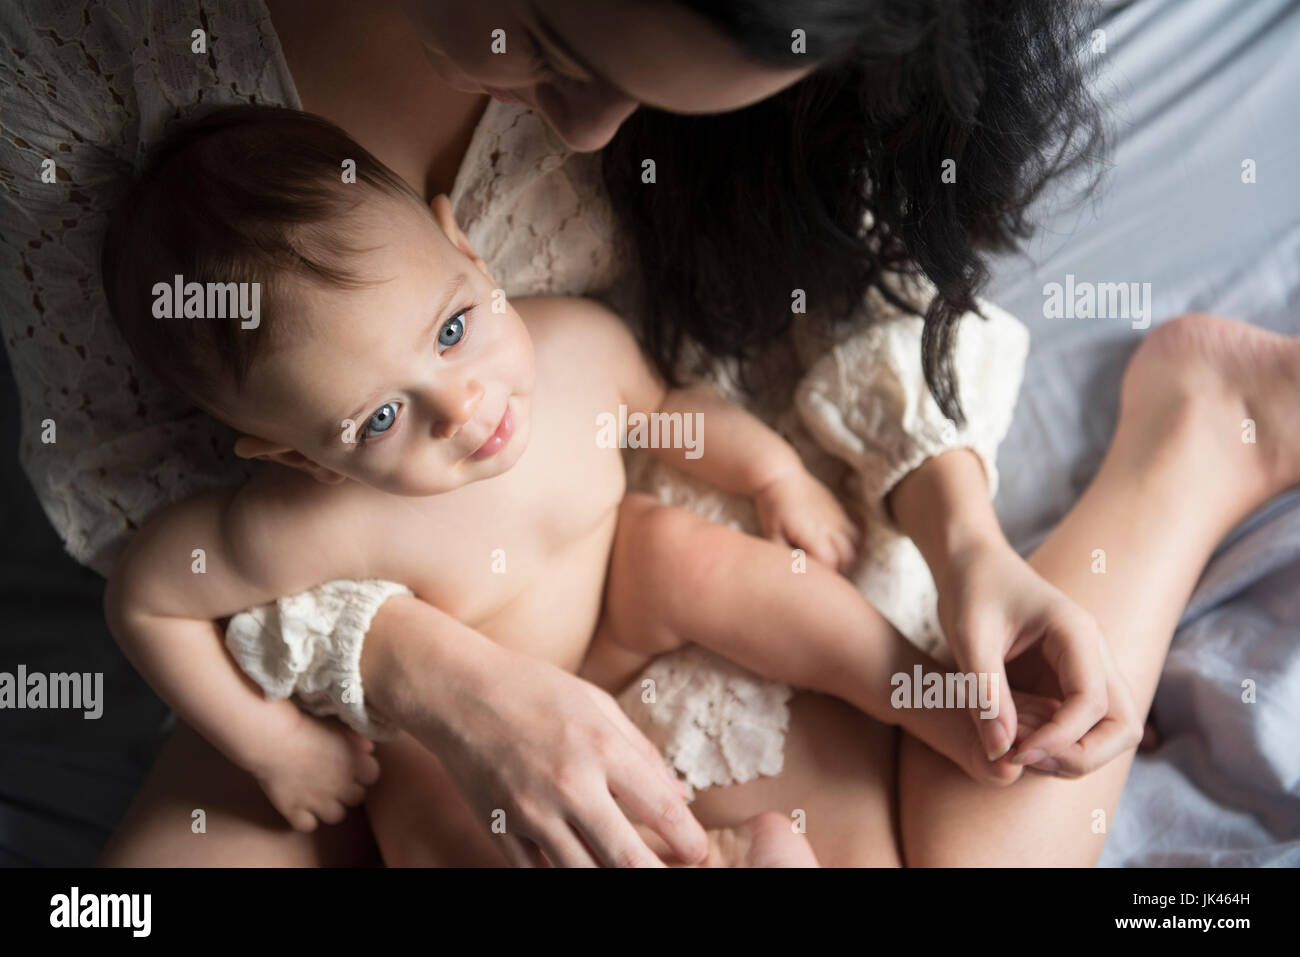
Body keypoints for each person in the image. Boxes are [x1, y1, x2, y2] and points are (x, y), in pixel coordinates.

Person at [6, 0, 1292, 867]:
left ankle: (1175, 458)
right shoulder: (291, 512)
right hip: (368, 680)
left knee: (747, 604)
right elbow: (145, 560)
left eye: (456, 332)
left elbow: (689, 405)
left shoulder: (562, 352)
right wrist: (336, 709)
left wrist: (921, 529)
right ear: (294, 451)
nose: (576, 134)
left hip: (636, 567)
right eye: (386, 413)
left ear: (466, 251)